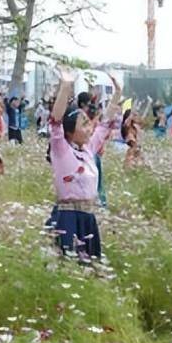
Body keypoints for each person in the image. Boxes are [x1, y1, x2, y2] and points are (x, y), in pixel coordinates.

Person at [46, 66, 121, 263]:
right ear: (70, 131)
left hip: (88, 218)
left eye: (89, 123)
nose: (90, 129)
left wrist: (118, 93)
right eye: (84, 125)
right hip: (68, 218)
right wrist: (66, 86)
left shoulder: (88, 149)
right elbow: (55, 122)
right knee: (69, 265)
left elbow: (105, 123)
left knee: (89, 267)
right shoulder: (61, 150)